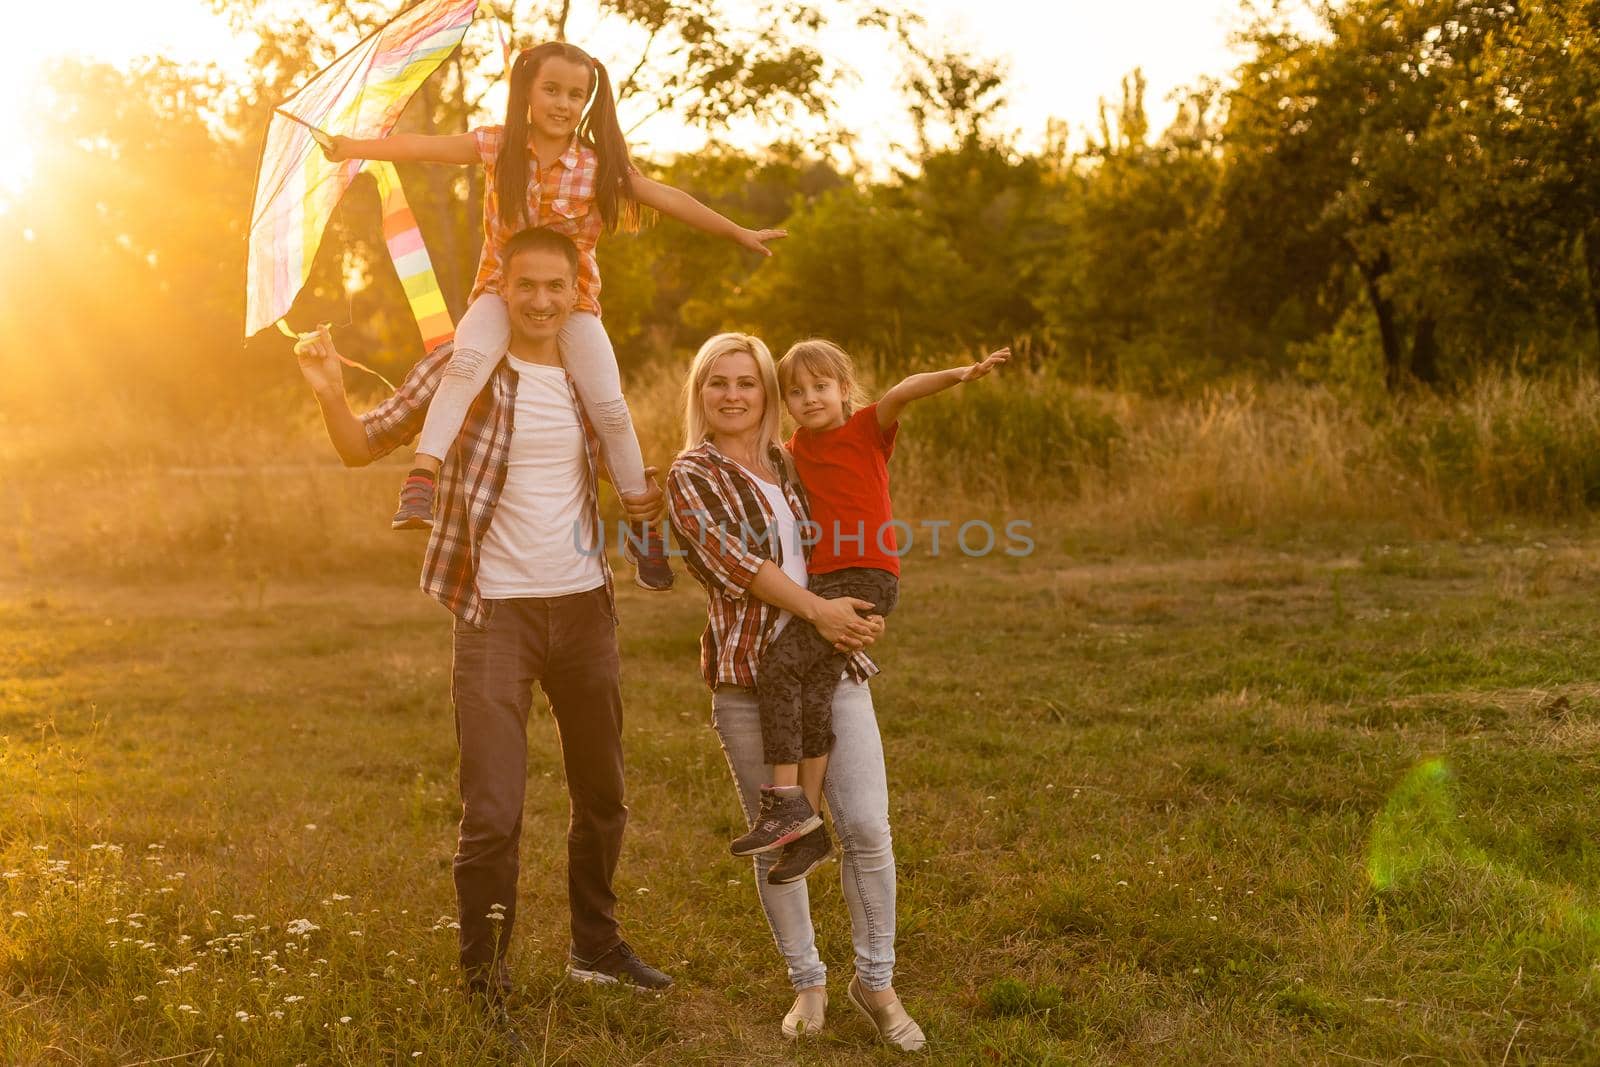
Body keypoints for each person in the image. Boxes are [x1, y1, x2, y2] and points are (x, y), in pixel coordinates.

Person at [294, 227, 672, 1049]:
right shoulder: (461, 371)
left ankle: (596, 947)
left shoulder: (586, 375)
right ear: (500, 287)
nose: (541, 301)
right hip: (493, 615)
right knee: (494, 812)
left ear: (579, 293)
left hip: (582, 611)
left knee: (602, 795)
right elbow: (362, 445)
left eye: (557, 287)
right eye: (525, 285)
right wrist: (327, 388)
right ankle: (485, 976)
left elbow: (626, 465)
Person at [323, 40, 785, 591]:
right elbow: (424, 146)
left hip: (574, 303)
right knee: (464, 366)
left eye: (577, 94)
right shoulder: (498, 146)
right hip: (501, 291)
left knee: (610, 408)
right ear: (527, 91)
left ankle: (643, 530)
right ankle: (422, 476)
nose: (564, 103)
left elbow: (665, 196)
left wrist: (737, 231)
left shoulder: (596, 166)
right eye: (552, 90)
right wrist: (356, 146)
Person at [666, 333, 926, 1051]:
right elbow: (734, 562)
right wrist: (823, 611)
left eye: (747, 381)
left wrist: (861, 606)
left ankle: (875, 980)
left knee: (867, 828)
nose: (733, 395)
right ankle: (807, 980)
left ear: (766, 392)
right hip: (749, 672)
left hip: (831, 662)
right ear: (700, 393)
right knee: (781, 838)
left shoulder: (793, 459)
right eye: (718, 382)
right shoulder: (692, 473)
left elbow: (851, 521)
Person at [729, 339, 1009, 874]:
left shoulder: (865, 430)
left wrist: (964, 372)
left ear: (843, 389)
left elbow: (905, 389)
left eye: (820, 387)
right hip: (825, 582)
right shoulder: (795, 448)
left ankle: (783, 806)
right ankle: (807, 826)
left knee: (781, 668)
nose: (810, 398)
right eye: (796, 391)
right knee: (813, 691)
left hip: (865, 578)